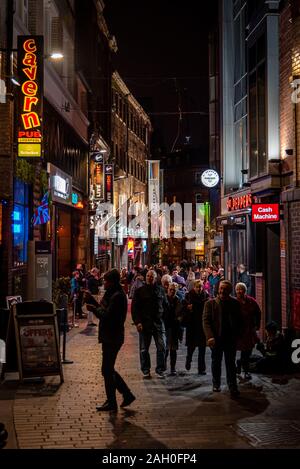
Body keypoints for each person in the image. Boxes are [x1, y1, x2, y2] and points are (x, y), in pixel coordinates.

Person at [85, 269, 135, 412]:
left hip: (113, 336)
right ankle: (125, 395)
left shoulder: (118, 296)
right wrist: (92, 301)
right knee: (107, 369)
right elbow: (103, 308)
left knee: (107, 370)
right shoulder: (111, 294)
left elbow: (107, 315)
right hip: (109, 336)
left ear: (112, 282)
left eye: (106, 281)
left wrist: (93, 309)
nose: (104, 283)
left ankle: (114, 401)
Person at [203, 280, 243, 398]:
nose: (222, 291)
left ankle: (232, 386)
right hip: (216, 338)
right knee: (216, 361)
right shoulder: (210, 304)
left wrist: (238, 335)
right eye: (221, 288)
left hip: (230, 339)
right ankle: (216, 383)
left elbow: (240, 321)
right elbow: (206, 322)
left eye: (225, 289)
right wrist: (210, 337)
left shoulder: (235, 304)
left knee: (231, 363)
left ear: (229, 291)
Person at [131, 269, 167, 378]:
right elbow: (135, 308)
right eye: (148, 276)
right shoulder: (139, 291)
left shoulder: (160, 290)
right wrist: (137, 322)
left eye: (152, 276)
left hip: (158, 323)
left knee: (162, 347)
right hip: (145, 324)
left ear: (155, 278)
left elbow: (165, 305)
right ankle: (146, 370)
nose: (149, 278)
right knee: (143, 349)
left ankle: (160, 369)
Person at [235, 282, 261, 379]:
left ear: (245, 291)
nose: (239, 291)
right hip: (239, 330)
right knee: (243, 349)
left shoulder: (251, 301)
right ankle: (245, 369)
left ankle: (241, 365)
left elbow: (258, 312)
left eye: (241, 289)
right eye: (237, 289)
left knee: (248, 350)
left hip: (249, 329)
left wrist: (257, 325)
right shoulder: (234, 302)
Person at [183, 280, 209, 375]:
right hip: (192, 324)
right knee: (191, 347)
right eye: (197, 287)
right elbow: (185, 307)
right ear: (194, 287)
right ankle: (188, 359)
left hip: (202, 325)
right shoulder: (189, 295)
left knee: (202, 348)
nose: (199, 289)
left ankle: (201, 368)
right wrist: (188, 308)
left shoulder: (206, 295)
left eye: (201, 287)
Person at [164, 283, 184, 375]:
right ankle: (163, 366)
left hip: (174, 328)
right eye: (170, 290)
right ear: (168, 289)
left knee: (173, 350)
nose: (172, 291)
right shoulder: (164, 300)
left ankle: (172, 368)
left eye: (174, 290)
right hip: (165, 327)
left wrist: (179, 318)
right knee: (165, 349)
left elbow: (180, 314)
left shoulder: (178, 300)